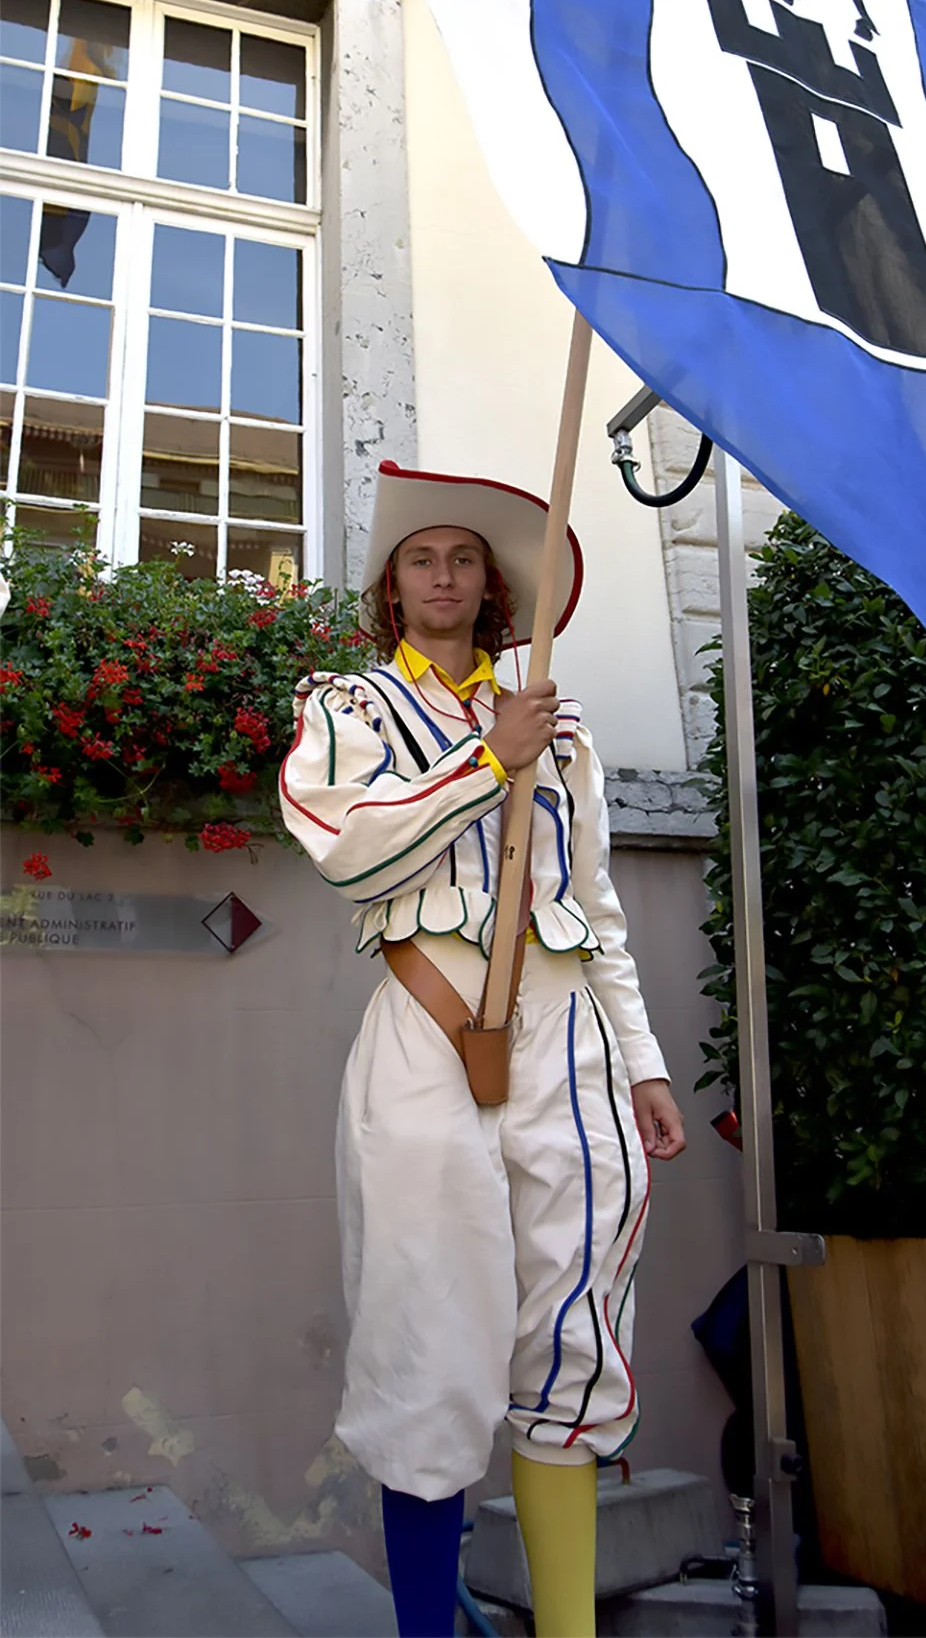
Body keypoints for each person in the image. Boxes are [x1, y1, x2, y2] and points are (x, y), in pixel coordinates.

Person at [280, 460, 685, 1637]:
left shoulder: (561, 732)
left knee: (572, 1337)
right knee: (427, 1341)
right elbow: (346, 847)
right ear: (391, 586)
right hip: (426, 1033)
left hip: (569, 1040)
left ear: (495, 588)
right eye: (421, 558)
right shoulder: (349, 708)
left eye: (464, 558)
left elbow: (596, 908)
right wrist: (486, 759)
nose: (444, 575)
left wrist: (645, 1062)